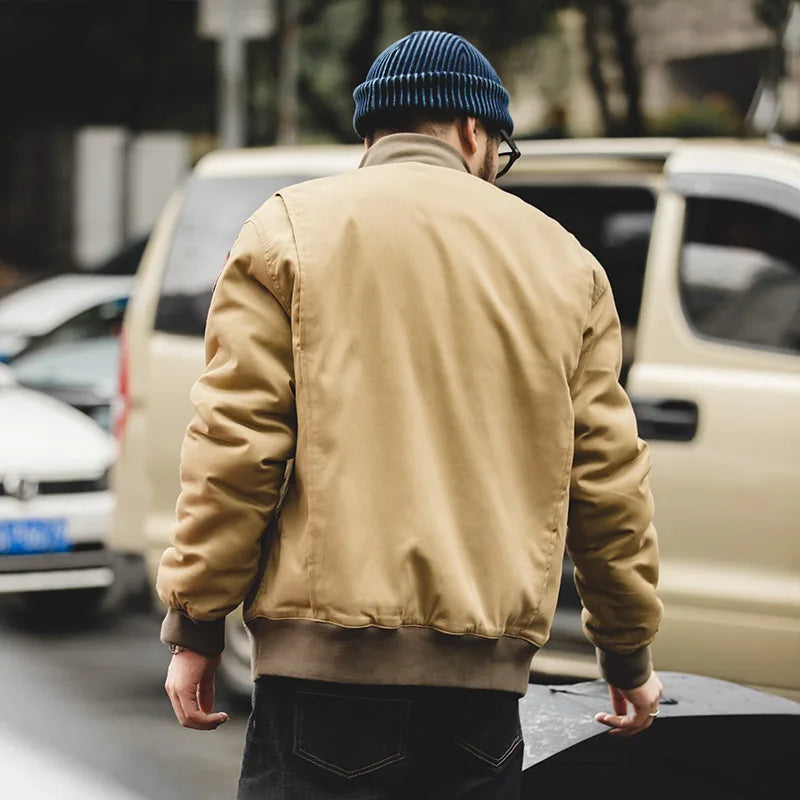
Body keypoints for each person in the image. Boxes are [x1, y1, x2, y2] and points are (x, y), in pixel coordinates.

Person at [157, 29, 663, 800]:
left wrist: (195, 626)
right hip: (482, 700)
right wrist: (626, 656)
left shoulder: (288, 231)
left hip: (319, 688)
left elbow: (236, 450)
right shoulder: (568, 266)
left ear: (374, 132)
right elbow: (606, 484)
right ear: (471, 130)